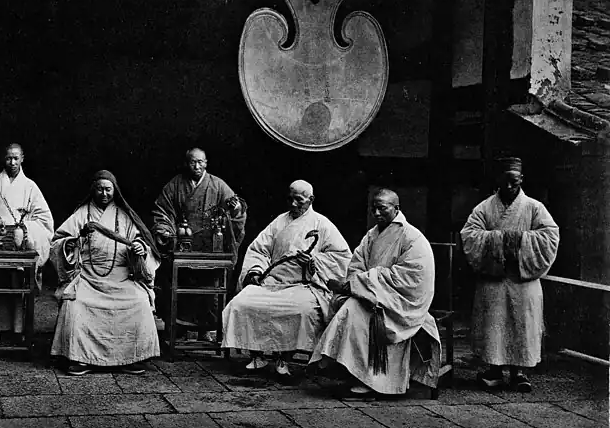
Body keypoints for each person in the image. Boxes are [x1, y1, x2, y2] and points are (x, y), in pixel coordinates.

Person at [309, 189, 440, 398]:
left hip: (399, 302)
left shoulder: (412, 237)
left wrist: (366, 286)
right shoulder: (372, 235)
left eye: (382, 208)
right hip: (372, 295)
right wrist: (362, 287)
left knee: (352, 310)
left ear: (396, 208)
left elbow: (411, 277)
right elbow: (356, 265)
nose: (377, 213)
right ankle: (351, 370)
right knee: (347, 305)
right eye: (374, 209)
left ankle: (367, 379)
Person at [222, 180, 351, 379]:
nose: (293, 204)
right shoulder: (279, 222)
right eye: (290, 199)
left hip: (304, 285)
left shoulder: (322, 224)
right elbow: (259, 249)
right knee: (242, 303)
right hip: (272, 282)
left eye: (299, 200)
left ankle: (284, 358)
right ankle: (258, 355)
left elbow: (342, 257)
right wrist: (255, 272)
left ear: (311, 199)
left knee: (301, 310)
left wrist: (314, 261)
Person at [459, 156, 560, 393]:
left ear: (521, 179)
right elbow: (470, 235)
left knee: (522, 325)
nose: (508, 186)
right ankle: (493, 370)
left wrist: (516, 241)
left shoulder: (534, 207)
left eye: (513, 182)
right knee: (494, 326)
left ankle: (519, 372)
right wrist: (501, 241)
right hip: (494, 278)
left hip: (522, 279)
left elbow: (550, 236)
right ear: (497, 179)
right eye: (504, 181)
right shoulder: (484, 208)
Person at [51, 170, 160, 375]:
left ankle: (131, 357)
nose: (104, 193)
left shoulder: (124, 215)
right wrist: (73, 241)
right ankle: (80, 358)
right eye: (100, 189)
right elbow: (58, 242)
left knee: (139, 301)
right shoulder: (82, 214)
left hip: (121, 276)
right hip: (88, 276)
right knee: (74, 304)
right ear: (93, 190)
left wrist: (139, 247)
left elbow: (139, 240)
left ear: (114, 190)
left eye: (108, 189)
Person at [152, 148, 247, 339]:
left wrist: (236, 210)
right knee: (178, 286)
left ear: (206, 163)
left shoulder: (217, 185)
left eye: (200, 162)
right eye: (193, 162)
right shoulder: (175, 185)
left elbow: (235, 209)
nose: (197, 166)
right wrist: (165, 229)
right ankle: (179, 328)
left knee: (209, 287)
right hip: (182, 244)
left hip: (209, 247)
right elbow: (162, 211)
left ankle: (205, 328)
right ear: (186, 163)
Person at [0, 143, 54, 334]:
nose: (12, 162)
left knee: (17, 285)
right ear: (3, 159)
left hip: (20, 249)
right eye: (8, 158)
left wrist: (26, 229)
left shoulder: (30, 187)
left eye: (16, 158)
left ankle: (18, 332)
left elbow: (44, 220)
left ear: (22, 158)